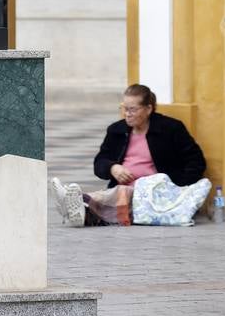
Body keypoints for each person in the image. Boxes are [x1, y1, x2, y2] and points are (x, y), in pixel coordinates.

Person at [52, 84, 209, 227]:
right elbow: (99, 163)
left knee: (121, 193)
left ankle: (77, 201)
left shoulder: (171, 129)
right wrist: (112, 168)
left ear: (148, 109)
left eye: (133, 109)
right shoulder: (116, 130)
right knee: (120, 193)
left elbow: (196, 161)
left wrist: (175, 188)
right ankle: (79, 208)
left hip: (155, 194)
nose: (127, 114)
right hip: (123, 192)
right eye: (124, 108)